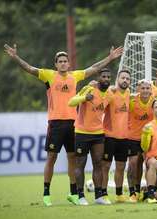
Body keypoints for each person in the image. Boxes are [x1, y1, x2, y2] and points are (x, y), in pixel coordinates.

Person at [3, 44, 123, 206]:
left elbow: (94, 68)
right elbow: (30, 69)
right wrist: (16, 57)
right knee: (51, 157)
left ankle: (73, 193)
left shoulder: (75, 76)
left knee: (72, 159)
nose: (63, 63)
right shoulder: (49, 75)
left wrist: (110, 58)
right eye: (60, 61)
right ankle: (46, 193)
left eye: (65, 61)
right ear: (56, 64)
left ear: (69, 63)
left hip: (73, 124)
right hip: (56, 124)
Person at [68, 69, 111, 205]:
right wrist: (84, 98)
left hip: (98, 134)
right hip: (82, 133)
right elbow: (72, 102)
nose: (106, 79)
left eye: (108, 77)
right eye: (103, 76)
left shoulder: (110, 94)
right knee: (80, 164)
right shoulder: (89, 88)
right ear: (99, 77)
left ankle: (98, 196)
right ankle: (80, 196)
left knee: (98, 164)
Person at [101, 69, 131, 203]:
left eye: (127, 79)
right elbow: (100, 107)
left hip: (124, 138)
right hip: (109, 136)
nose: (125, 80)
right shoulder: (111, 92)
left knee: (120, 167)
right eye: (123, 78)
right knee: (105, 166)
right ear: (117, 79)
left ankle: (119, 194)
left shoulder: (130, 94)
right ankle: (103, 193)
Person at [126, 79, 154, 202]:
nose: (145, 90)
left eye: (148, 88)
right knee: (133, 165)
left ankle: (148, 191)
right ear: (138, 89)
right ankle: (133, 192)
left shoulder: (156, 101)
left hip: (149, 138)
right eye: (143, 88)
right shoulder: (131, 100)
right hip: (133, 138)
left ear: (151, 90)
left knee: (149, 165)